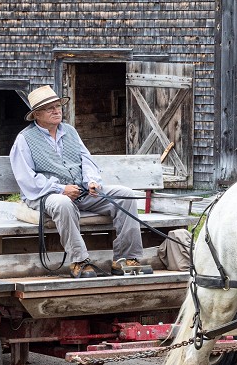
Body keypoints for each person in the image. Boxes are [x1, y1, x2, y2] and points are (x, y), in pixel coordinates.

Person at [9, 85, 152, 278]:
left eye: (57, 106)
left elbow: (86, 159)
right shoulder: (24, 139)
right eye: (49, 107)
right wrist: (61, 189)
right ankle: (79, 261)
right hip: (45, 195)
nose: (56, 110)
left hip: (81, 192)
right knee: (63, 203)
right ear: (36, 115)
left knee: (124, 194)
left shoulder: (70, 131)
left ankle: (125, 260)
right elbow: (28, 180)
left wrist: (92, 181)